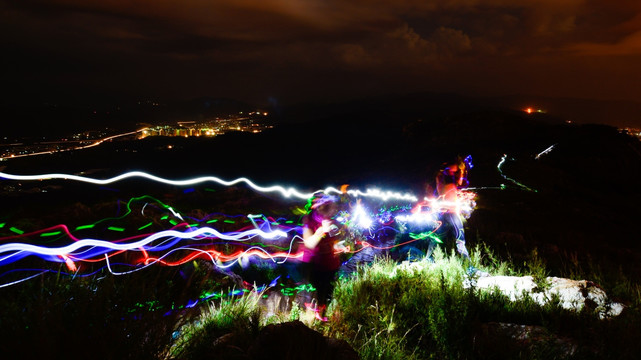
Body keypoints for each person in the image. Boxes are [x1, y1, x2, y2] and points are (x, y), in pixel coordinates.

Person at [299, 193, 345, 321]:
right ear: (317, 207)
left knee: (327, 295)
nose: (330, 212)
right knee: (313, 297)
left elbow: (334, 241)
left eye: (331, 208)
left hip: (330, 265)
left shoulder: (332, 220)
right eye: (325, 207)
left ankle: (322, 318)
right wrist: (321, 231)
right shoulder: (309, 220)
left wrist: (339, 246)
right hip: (314, 266)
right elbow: (309, 243)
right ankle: (310, 324)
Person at [428, 156, 472, 261]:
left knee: (436, 237)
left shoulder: (443, 177)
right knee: (460, 238)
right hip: (450, 212)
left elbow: (460, 183)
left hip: (444, 211)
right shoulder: (445, 176)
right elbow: (458, 182)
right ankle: (467, 263)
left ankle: (428, 259)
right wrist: (461, 169)